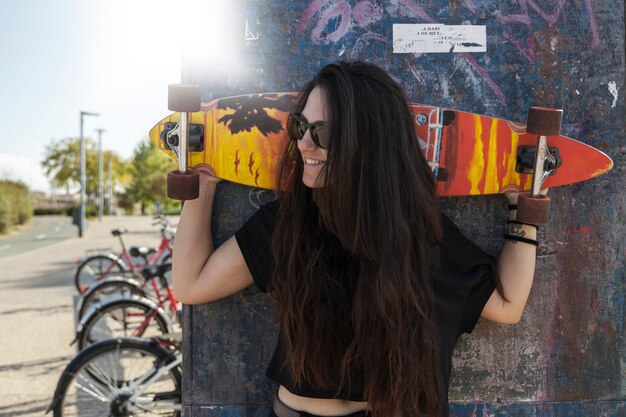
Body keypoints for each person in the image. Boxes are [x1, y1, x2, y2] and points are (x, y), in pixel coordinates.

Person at [173, 61, 543, 417]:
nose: (304, 144)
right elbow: (191, 285)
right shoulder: (287, 225)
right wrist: (201, 184)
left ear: (368, 143)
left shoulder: (420, 237)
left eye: (323, 133)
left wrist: (524, 209)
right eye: (300, 126)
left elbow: (508, 306)